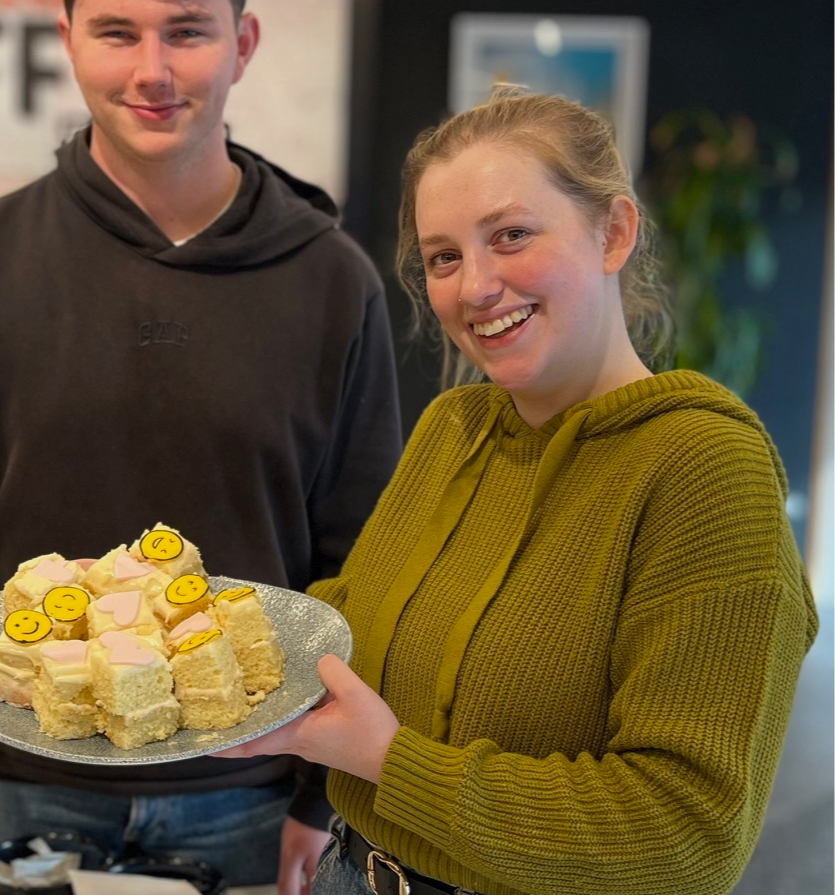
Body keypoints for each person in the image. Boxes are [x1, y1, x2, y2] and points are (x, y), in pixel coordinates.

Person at [0, 0, 402, 891]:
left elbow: (364, 556)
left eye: (185, 30)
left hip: (251, 786)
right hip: (17, 775)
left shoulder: (331, 282)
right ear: (64, 35)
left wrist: (325, 796)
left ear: (244, 42)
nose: (151, 70)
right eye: (115, 31)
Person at [220, 86, 820, 895]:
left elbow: (687, 834)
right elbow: (347, 617)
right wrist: (191, 636)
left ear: (613, 232)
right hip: (351, 871)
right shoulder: (454, 426)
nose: (473, 287)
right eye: (443, 256)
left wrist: (385, 758)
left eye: (510, 235)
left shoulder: (705, 469)